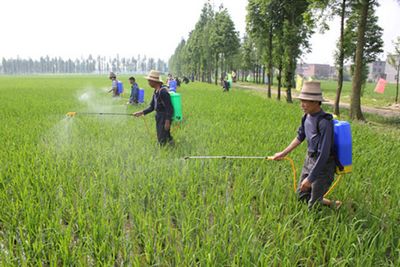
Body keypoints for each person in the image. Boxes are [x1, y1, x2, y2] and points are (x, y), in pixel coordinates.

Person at [271, 81, 341, 210]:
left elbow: (324, 154)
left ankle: (322, 206)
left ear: (316, 102)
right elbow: (300, 137)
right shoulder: (306, 117)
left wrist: (310, 178)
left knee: (312, 207)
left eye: (305, 101)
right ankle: (330, 203)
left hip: (323, 166)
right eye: (301, 101)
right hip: (309, 161)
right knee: (301, 195)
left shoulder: (324, 122)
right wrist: (283, 153)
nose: (302, 105)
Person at [133, 70, 174, 146]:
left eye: (149, 81)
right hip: (159, 116)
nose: (148, 82)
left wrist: (167, 121)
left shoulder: (163, 92)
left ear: (155, 81)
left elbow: (170, 108)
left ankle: (166, 150)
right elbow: (152, 107)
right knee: (165, 135)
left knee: (161, 139)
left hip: (164, 117)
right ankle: (171, 145)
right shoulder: (156, 91)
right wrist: (141, 112)